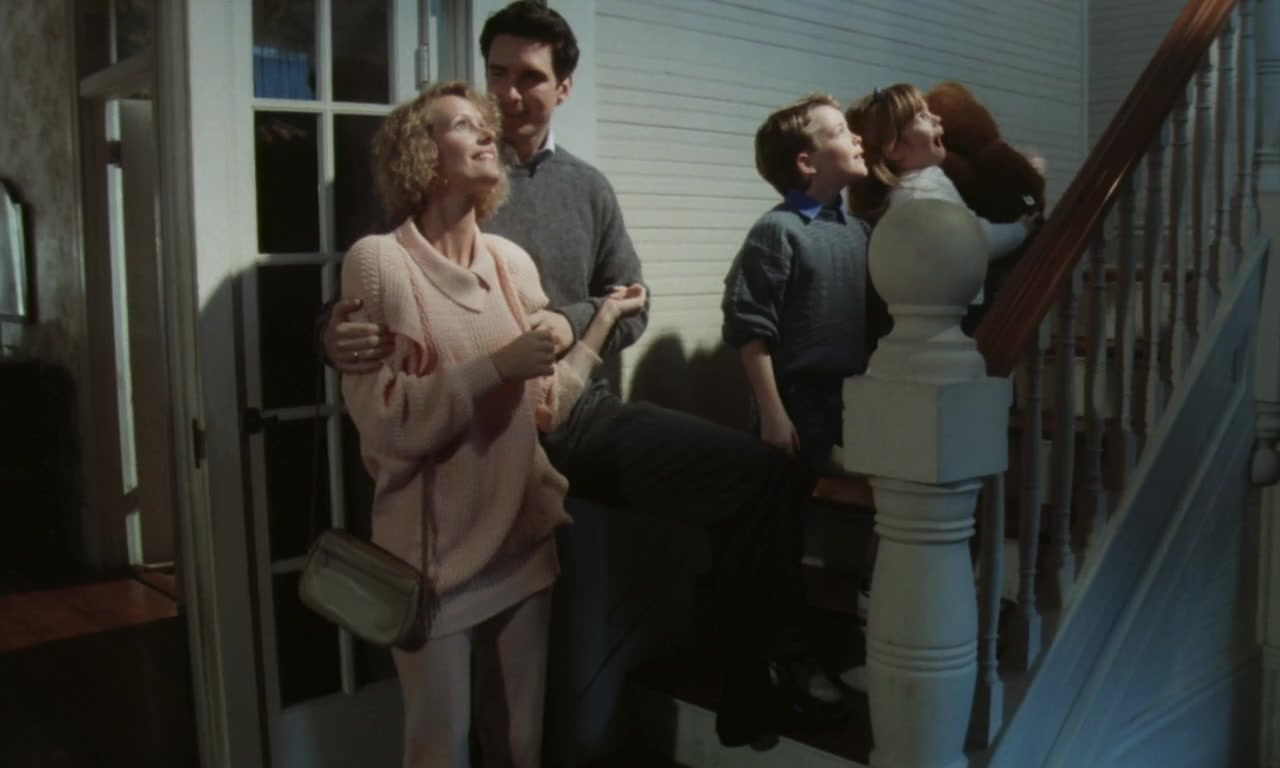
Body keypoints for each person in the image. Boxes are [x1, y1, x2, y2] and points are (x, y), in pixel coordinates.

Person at [322, 0, 846, 750]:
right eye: (497, 73)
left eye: (529, 78)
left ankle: (762, 674)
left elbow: (631, 298)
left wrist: (573, 321)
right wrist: (330, 333)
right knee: (497, 693)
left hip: (571, 408)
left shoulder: (585, 188)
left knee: (760, 475)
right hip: (472, 436)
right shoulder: (436, 169)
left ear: (563, 86)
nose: (508, 95)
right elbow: (369, 288)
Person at [340, 80, 645, 768]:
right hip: (431, 565)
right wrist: (496, 367)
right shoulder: (380, 263)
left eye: (484, 124)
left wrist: (600, 322)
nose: (487, 133)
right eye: (461, 124)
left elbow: (546, 408)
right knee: (438, 750)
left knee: (519, 746)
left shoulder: (511, 265)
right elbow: (388, 423)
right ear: (422, 154)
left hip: (522, 544)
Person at [721, 93, 871, 479]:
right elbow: (751, 330)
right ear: (807, 163)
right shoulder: (778, 230)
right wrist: (773, 414)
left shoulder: (860, 232)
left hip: (856, 400)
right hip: (798, 405)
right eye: (840, 132)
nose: (857, 138)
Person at [845, 83, 1037, 309]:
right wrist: (1021, 229)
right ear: (895, 149)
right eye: (922, 117)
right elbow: (976, 240)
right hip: (948, 313)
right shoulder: (922, 194)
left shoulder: (913, 190)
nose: (937, 118)